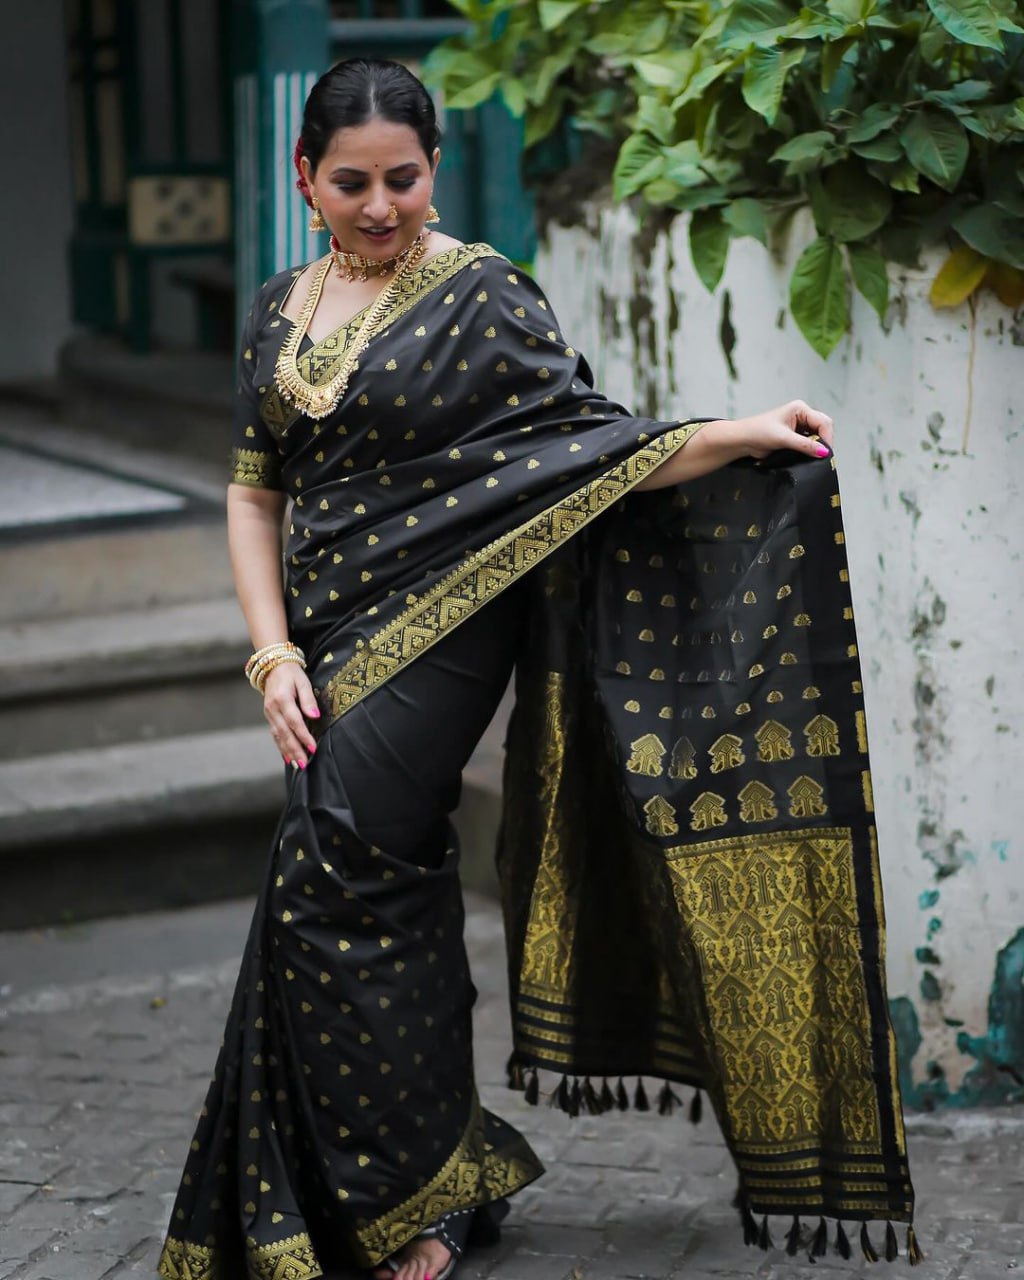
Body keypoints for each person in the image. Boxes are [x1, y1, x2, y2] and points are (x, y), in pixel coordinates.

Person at [158, 57, 918, 1280]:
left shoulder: (485, 296)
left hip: (450, 623)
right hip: (321, 637)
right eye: (350, 182)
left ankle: (404, 1191)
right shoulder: (275, 307)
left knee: (341, 850)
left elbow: (582, 450)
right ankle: (427, 1177)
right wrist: (270, 652)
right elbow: (255, 495)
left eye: (401, 179)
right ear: (306, 179)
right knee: (365, 872)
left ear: (434, 170)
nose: (379, 205)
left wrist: (730, 434)